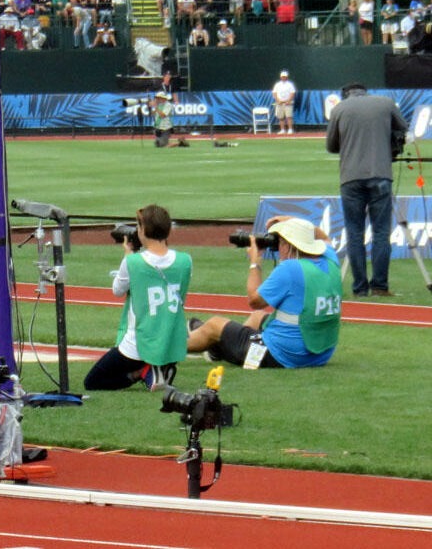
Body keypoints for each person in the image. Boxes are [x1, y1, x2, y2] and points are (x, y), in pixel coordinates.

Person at [187, 216, 342, 368]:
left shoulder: (291, 269)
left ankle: (172, 348)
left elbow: (255, 301)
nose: (278, 248)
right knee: (258, 317)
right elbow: (324, 237)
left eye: (281, 242)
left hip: (283, 354)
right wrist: (294, 223)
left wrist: (255, 261)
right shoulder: (330, 259)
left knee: (215, 324)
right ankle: (217, 349)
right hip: (320, 354)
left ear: (289, 246)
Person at [83, 205, 191, 391]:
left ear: (143, 230)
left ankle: (141, 372)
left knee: (93, 381)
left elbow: (117, 290)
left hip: (138, 344)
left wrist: (128, 255)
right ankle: (157, 367)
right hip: (170, 341)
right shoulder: (185, 260)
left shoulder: (133, 262)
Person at [325, 83, 409, 297]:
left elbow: (331, 146)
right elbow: (403, 127)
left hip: (350, 177)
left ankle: (360, 288)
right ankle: (380, 286)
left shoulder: (339, 109)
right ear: (365, 91)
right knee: (381, 232)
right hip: (380, 173)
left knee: (354, 233)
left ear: (346, 94)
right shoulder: (385, 103)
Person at [271, 70, 296, 134]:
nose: (283, 78)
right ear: (280, 77)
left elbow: (292, 93)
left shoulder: (290, 84)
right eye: (282, 76)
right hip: (280, 103)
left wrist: (289, 100)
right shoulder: (277, 85)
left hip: (288, 103)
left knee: (289, 116)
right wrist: (278, 100)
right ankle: (282, 130)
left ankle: (290, 129)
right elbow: (274, 93)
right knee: (281, 117)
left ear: (287, 77)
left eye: (285, 76)